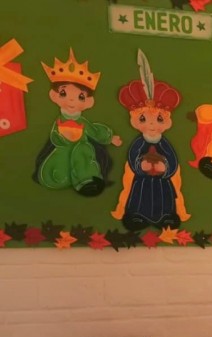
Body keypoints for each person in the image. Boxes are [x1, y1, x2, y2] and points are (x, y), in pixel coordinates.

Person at [114, 52, 189, 231]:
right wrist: (141, 166)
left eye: (159, 119)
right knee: (140, 196)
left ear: (167, 121)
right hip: (142, 180)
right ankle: (137, 215)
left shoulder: (164, 144)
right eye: (144, 119)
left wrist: (166, 168)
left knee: (165, 198)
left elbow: (172, 159)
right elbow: (133, 156)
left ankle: (166, 216)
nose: (152, 124)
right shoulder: (139, 143)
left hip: (162, 181)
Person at [34, 48, 122, 196]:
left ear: (88, 102)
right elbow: (54, 136)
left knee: (84, 150)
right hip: (62, 153)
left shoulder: (83, 123)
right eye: (63, 93)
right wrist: (62, 137)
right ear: (54, 95)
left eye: (80, 96)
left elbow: (95, 131)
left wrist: (110, 138)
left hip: (82, 152)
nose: (71, 99)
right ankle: (61, 177)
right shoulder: (59, 121)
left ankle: (87, 181)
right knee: (58, 169)